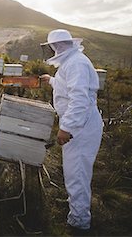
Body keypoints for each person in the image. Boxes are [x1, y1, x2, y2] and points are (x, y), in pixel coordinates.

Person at [39, 29, 103, 232]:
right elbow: (69, 88)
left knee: (77, 174)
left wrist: (66, 128)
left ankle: (79, 223)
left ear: (57, 47)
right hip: (80, 124)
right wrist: (52, 81)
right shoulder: (73, 62)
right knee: (75, 171)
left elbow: (79, 99)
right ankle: (76, 210)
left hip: (81, 126)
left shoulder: (76, 63)